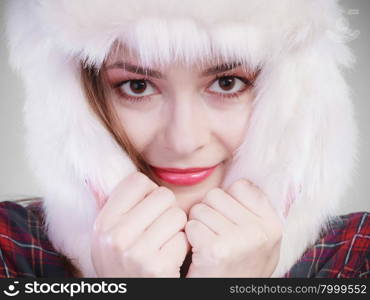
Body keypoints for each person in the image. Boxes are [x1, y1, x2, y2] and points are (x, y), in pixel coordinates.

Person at [1, 0, 368, 278]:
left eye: (227, 82)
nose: (183, 141)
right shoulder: (10, 251)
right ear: (77, 100)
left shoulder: (355, 257)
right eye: (137, 85)